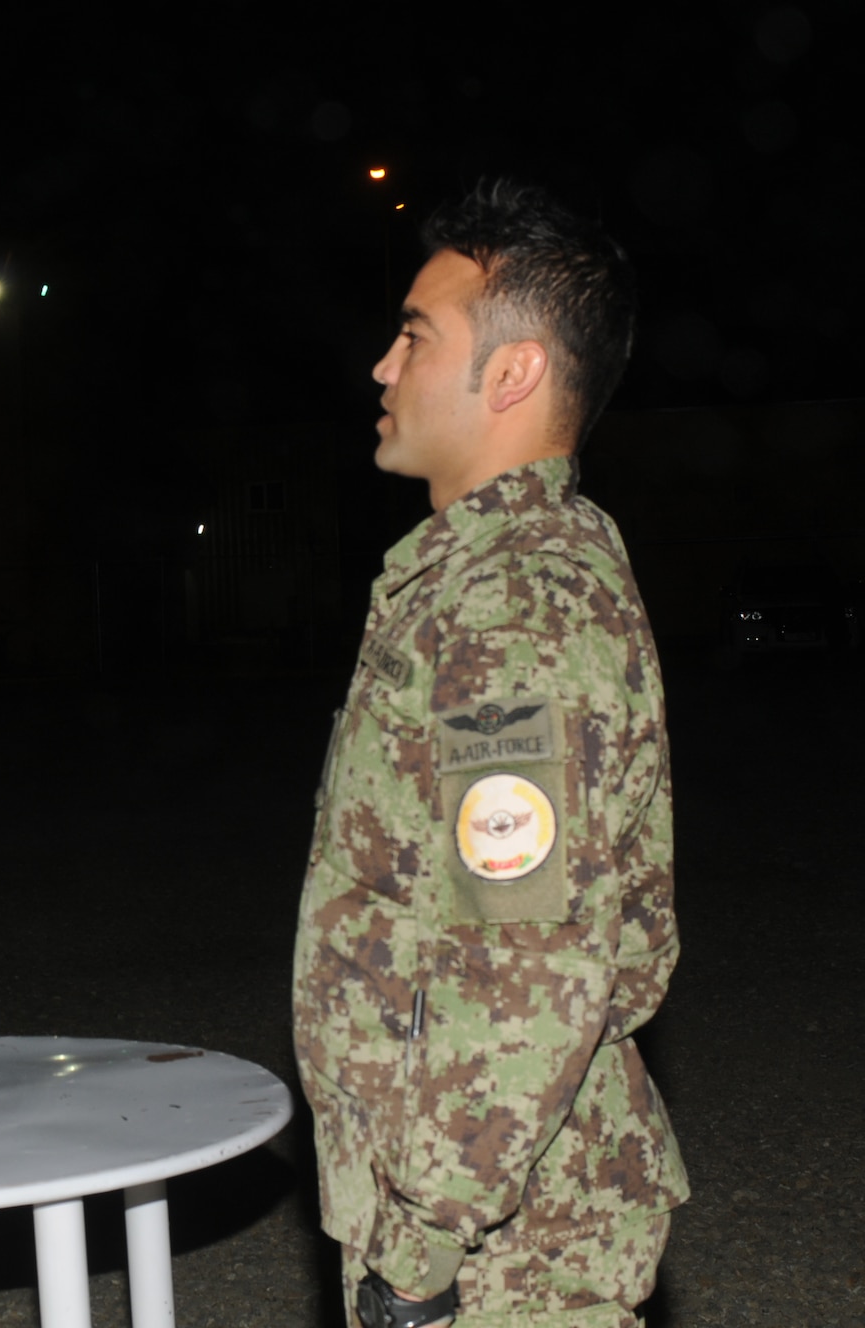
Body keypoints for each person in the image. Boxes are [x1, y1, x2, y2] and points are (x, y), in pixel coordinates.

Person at [293, 180, 688, 1328]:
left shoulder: (513, 603)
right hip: (485, 1225)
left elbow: (527, 967)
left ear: (510, 373)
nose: (381, 366)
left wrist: (414, 1255)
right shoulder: (495, 570)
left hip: (501, 1260)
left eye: (414, 336)